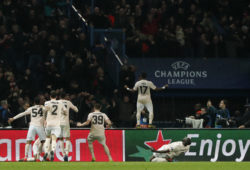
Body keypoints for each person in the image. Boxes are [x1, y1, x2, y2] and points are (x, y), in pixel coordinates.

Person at [8, 97, 47, 161]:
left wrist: (13, 118)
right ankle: (38, 155)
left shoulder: (31, 108)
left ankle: (25, 157)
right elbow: (49, 108)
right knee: (43, 142)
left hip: (32, 126)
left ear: (34, 102)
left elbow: (22, 114)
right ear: (40, 102)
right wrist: (42, 105)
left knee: (28, 142)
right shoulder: (43, 108)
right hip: (40, 126)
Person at [43, 91, 67, 161]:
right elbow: (65, 111)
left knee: (47, 138)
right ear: (56, 97)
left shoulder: (47, 103)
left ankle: (47, 152)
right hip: (56, 124)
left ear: (50, 96)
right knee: (54, 139)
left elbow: (44, 111)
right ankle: (52, 150)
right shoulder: (60, 103)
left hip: (48, 123)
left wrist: (44, 120)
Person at [58, 92, 78, 161]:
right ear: (65, 97)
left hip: (58, 123)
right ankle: (66, 153)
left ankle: (63, 155)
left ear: (60, 96)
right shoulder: (68, 102)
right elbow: (76, 110)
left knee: (60, 139)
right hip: (66, 123)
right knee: (67, 139)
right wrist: (75, 107)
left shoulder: (57, 102)